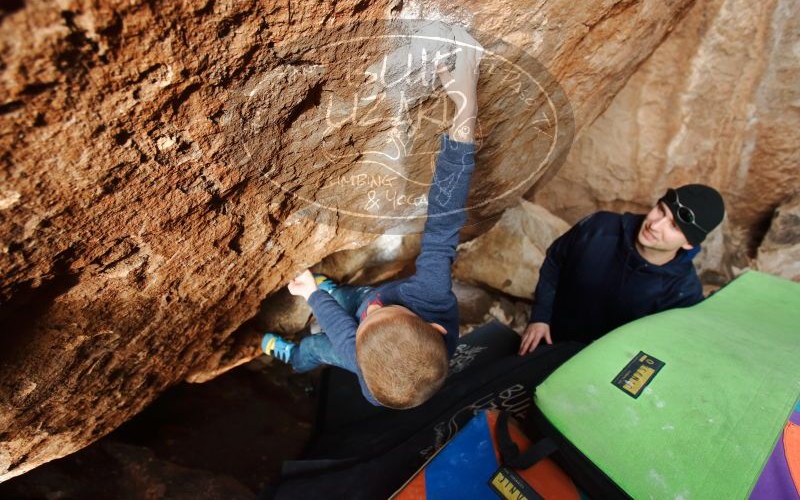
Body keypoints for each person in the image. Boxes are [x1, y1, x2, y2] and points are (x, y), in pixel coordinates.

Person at [262, 28, 483, 409]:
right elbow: (444, 220)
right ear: (434, 327)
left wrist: (313, 296)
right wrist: (466, 106)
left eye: (368, 322)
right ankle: (337, 291)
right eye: (382, 316)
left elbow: (346, 334)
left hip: (357, 346)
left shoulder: (365, 368)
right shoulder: (430, 295)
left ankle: (293, 359)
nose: (375, 310)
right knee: (356, 297)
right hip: (376, 326)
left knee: (318, 344)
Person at [519, 184, 725, 355]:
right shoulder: (599, 228)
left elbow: (661, 351)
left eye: (673, 226)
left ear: (689, 243)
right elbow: (555, 261)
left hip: (605, 367)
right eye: (660, 210)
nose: (655, 225)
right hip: (551, 338)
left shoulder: (682, 293)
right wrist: (540, 317)